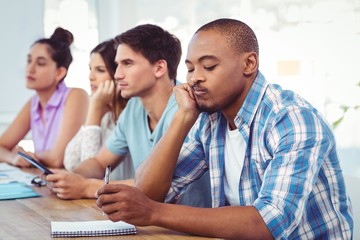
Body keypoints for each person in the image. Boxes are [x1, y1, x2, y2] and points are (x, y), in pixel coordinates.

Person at [96, 18, 353, 239]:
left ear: (249, 64)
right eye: (190, 68)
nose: (195, 77)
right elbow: (149, 192)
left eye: (209, 66)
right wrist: (182, 118)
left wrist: (153, 212)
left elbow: (268, 223)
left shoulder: (291, 119)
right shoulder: (210, 120)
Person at [45, 24, 189, 200]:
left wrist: (87, 187)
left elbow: (155, 186)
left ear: (159, 68)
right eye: (117, 65)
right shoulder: (134, 107)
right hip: (148, 221)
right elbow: (99, 162)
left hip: (184, 224)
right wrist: (70, 177)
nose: (118, 74)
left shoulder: (186, 109)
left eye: (127, 64)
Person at [0, 27, 88, 168]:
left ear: (59, 72)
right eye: (29, 61)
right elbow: (1, 147)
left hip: (69, 184)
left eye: (40, 63)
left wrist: (26, 155)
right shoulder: (33, 103)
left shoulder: (76, 96)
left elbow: (57, 158)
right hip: (43, 183)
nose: (30, 69)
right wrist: (12, 157)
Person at [63, 39, 134, 180]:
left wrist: (95, 108)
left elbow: (89, 179)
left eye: (100, 70)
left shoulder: (131, 116)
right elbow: (71, 164)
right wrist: (95, 112)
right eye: (90, 69)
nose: (91, 77)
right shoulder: (105, 115)